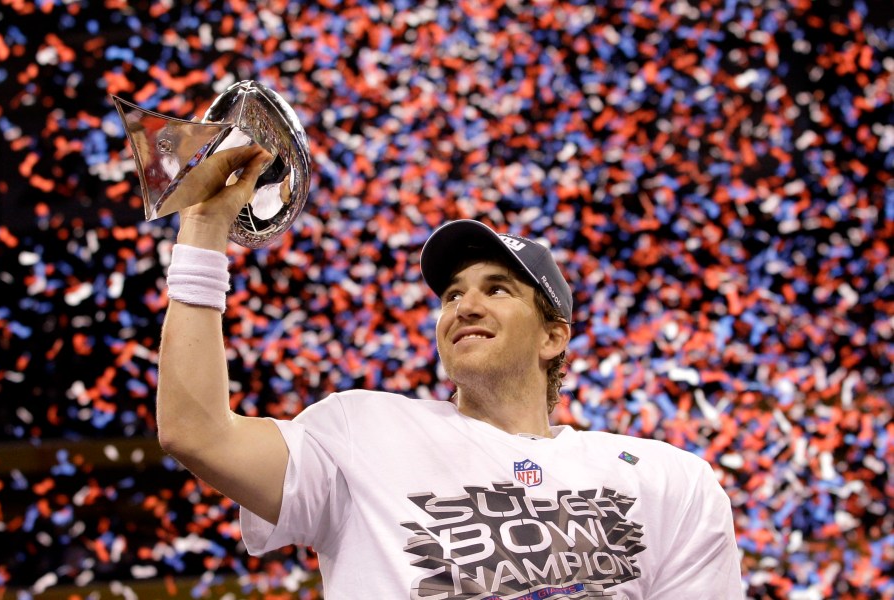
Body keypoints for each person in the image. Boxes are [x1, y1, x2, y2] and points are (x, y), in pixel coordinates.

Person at [156, 144, 745, 598]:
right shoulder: (360, 431)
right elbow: (197, 433)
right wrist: (204, 232)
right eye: (450, 295)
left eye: (497, 289)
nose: (464, 305)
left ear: (552, 335)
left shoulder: (671, 482)